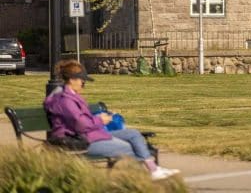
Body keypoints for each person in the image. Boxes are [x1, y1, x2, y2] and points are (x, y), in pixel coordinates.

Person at [43, 59, 180, 180]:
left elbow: (81, 120)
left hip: (90, 134)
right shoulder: (65, 100)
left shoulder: (70, 96)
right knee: (131, 148)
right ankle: (148, 173)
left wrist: (98, 118)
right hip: (82, 141)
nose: (83, 84)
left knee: (133, 134)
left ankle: (154, 170)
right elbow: (80, 124)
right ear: (72, 80)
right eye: (82, 81)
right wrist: (100, 120)